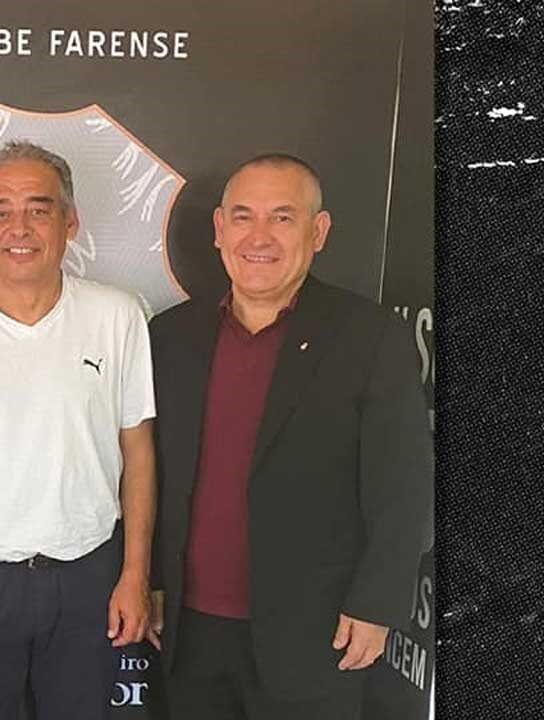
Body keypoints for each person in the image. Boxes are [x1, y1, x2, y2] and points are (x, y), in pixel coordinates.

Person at [149, 153, 433, 719]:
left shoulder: (370, 338)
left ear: (318, 232)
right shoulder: (170, 335)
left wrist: (376, 604)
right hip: (190, 633)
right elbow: (152, 474)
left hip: (316, 633)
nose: (259, 237)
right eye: (243, 216)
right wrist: (153, 580)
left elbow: (402, 487)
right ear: (219, 229)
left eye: (282, 217)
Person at [0, 140, 157, 719]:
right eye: (1, 212)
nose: (19, 229)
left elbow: (138, 452)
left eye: (39, 210)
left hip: (88, 573)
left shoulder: (117, 317)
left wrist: (134, 574)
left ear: (70, 222)